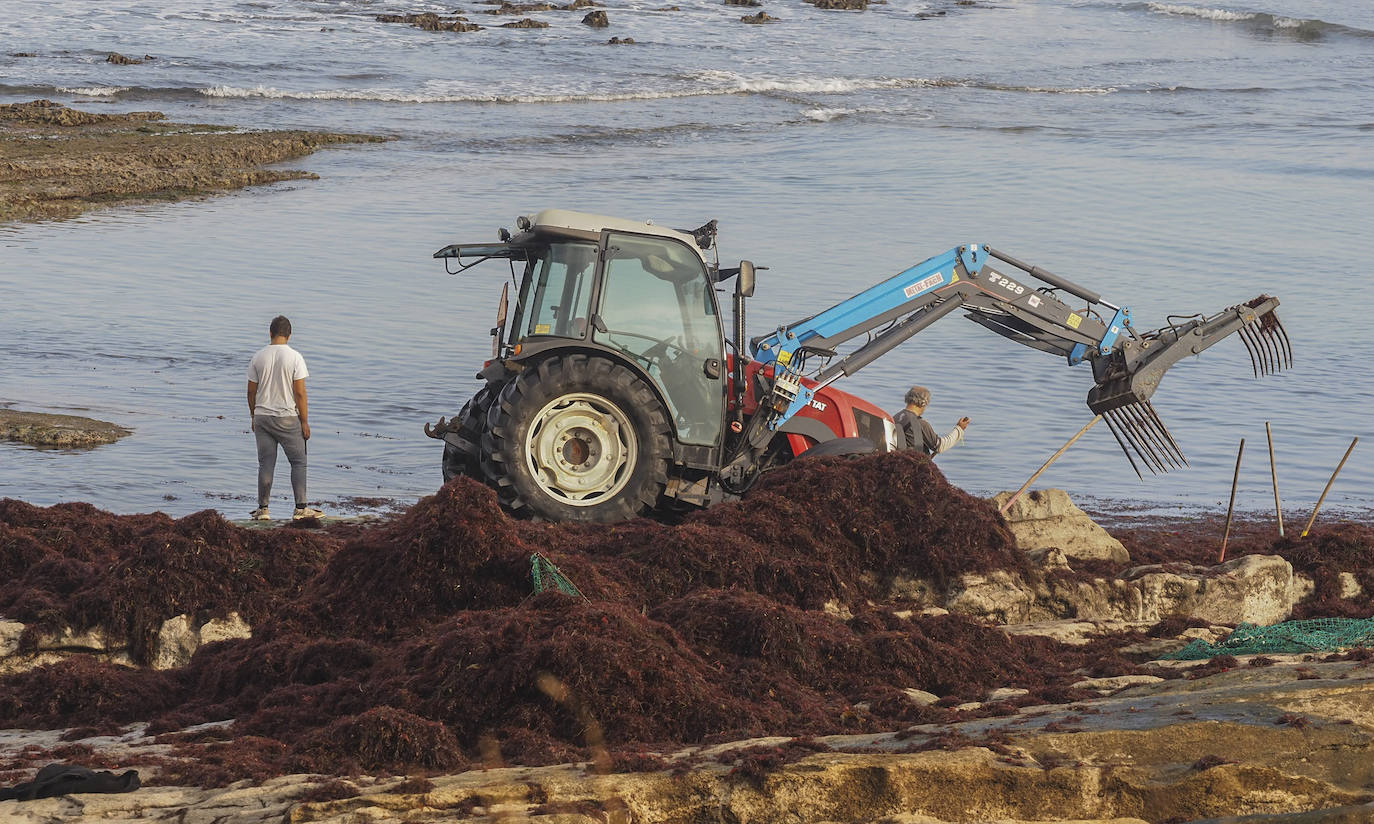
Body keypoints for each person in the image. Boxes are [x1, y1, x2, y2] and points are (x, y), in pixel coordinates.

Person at [246, 316, 323, 520]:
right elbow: (300, 393)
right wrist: (304, 421)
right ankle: (301, 508)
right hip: (287, 417)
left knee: (266, 463)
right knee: (298, 462)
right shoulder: (295, 357)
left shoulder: (258, 357)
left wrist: (254, 416)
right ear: (289, 335)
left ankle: (263, 510)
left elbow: (251, 392)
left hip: (262, 416)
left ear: (270, 333)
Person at [891, 385, 970, 457]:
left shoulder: (895, 418)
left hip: (899, 463)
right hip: (915, 467)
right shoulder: (920, 423)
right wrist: (959, 429)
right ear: (923, 403)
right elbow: (940, 446)